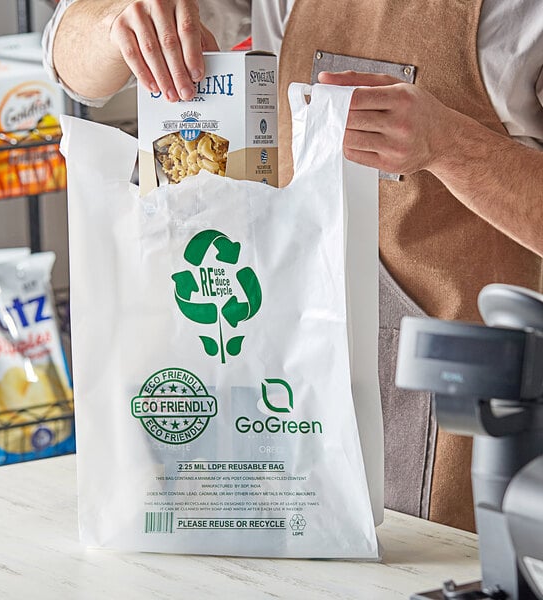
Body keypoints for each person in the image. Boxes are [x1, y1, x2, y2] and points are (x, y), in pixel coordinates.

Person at [43, 0, 543, 532]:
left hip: (468, 410)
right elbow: (72, 63)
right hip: (287, 391)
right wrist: (118, 24)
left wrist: (450, 144)